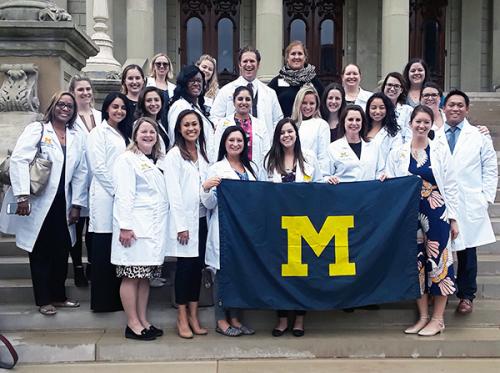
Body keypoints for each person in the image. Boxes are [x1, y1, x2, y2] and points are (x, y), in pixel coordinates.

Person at [0, 91, 88, 316]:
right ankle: (44, 299)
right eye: (61, 104)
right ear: (52, 106)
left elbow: (81, 171)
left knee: (61, 248)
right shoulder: (38, 129)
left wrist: (77, 203)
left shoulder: (75, 136)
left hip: (63, 201)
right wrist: (22, 195)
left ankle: (58, 296)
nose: (65, 109)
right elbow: (20, 160)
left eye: (69, 106)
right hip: (38, 199)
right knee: (40, 250)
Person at [385, 105, 459, 336]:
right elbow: (391, 182)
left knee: (439, 262)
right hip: (410, 215)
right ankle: (423, 317)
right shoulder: (397, 152)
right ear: (410, 124)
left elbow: (451, 185)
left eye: (426, 122)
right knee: (416, 263)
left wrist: (454, 218)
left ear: (431, 125)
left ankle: (438, 319)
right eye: (418, 121)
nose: (422, 125)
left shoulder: (439, 150)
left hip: (436, 212)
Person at [261, 118, 322, 337]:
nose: (286, 135)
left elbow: (319, 185)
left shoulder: (309, 157)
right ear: (277, 137)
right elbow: (261, 191)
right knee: (280, 273)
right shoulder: (269, 160)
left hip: (304, 224)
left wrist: (330, 182)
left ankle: (299, 318)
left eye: (290, 131)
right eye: (282, 132)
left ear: (296, 134)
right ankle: (282, 318)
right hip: (278, 225)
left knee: (301, 272)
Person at [442, 90, 498, 314]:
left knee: (467, 250)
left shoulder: (478, 135)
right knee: (441, 249)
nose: (455, 109)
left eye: (460, 105)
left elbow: (490, 168)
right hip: (442, 200)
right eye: (451, 105)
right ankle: (442, 292)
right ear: (443, 108)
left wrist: (485, 198)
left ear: (467, 109)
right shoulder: (434, 134)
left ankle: (467, 295)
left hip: (469, 200)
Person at [111, 117, 167, 341]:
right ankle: (132, 323)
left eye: (152, 132)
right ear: (135, 135)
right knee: (131, 276)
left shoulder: (155, 161)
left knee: (144, 278)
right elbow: (124, 195)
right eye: (143, 131)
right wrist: (125, 226)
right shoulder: (127, 160)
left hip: (151, 230)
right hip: (133, 229)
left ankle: (143, 320)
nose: (148, 135)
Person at [201, 126, 257, 337]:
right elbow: (208, 203)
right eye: (231, 140)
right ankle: (221, 320)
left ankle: (236, 318)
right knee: (222, 277)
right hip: (224, 230)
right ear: (224, 143)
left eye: (239, 141)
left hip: (244, 233)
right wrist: (206, 187)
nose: (235, 144)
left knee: (240, 275)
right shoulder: (216, 168)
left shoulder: (250, 169)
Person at [164, 109, 210, 339]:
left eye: (195, 124)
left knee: (197, 270)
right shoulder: (174, 155)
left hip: (202, 220)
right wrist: (181, 226)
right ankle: (181, 316)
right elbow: (173, 193)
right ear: (179, 129)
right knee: (184, 270)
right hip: (185, 224)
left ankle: (194, 315)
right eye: (186, 125)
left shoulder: (203, 153)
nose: (191, 128)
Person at [87, 92, 129, 312]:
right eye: (115, 107)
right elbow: (98, 167)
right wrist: (117, 191)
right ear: (106, 109)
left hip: (119, 197)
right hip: (105, 195)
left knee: (115, 248)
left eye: (122, 107)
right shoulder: (98, 133)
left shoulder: (122, 133)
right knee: (103, 247)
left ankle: (116, 298)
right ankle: (102, 302)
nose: (119, 111)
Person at [69, 74, 102, 287]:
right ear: (73, 92)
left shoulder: (100, 116)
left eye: (88, 89)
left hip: (98, 179)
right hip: (77, 179)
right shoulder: (69, 118)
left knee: (93, 227)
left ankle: (91, 263)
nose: (85, 93)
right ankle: (77, 267)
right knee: (76, 225)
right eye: (80, 90)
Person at [211, 46, 283, 139]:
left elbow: (277, 121)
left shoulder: (270, 93)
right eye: (245, 61)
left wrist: (270, 141)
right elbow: (215, 118)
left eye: (252, 61)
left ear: (258, 64)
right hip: (235, 146)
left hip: (263, 147)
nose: (248, 64)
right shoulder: (226, 91)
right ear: (239, 64)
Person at [212, 86, 270, 170]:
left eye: (247, 99)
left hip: (256, 171)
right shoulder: (223, 124)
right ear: (234, 101)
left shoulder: (261, 125)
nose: (244, 102)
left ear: (252, 102)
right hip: (229, 171)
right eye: (240, 99)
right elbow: (217, 149)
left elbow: (266, 152)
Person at [326, 105, 384, 184]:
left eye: (358, 120)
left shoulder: (374, 146)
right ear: (343, 122)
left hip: (369, 194)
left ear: (362, 122)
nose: (354, 123)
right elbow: (326, 175)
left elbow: (380, 171)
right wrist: (329, 179)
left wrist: (382, 176)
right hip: (344, 193)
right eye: (350, 119)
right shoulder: (333, 148)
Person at [168, 65, 214, 157]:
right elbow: (175, 138)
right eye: (192, 81)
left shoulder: (196, 106)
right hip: (187, 159)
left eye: (199, 81)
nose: (196, 84)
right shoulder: (179, 106)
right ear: (184, 83)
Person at [268, 41, 324, 118]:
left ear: (305, 58)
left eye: (300, 54)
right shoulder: (277, 82)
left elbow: (324, 104)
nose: (296, 57)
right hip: (286, 128)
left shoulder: (313, 80)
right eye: (293, 54)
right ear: (287, 58)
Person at [290, 85, 330, 176]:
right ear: (298, 103)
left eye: (312, 103)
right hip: (291, 175)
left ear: (317, 105)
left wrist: (321, 177)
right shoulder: (290, 125)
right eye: (304, 103)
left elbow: (323, 156)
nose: (308, 107)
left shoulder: (321, 125)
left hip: (312, 176)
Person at [365, 92, 402, 167]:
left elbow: (396, 157)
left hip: (384, 175)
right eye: (373, 108)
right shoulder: (361, 129)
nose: (377, 111)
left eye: (382, 108)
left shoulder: (394, 133)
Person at [381, 72, 413, 143]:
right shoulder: (376, 109)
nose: (392, 89)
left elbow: (410, 137)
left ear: (401, 90)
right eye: (389, 85)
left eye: (396, 86)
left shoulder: (408, 111)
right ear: (384, 87)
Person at [135, 86, 170, 152]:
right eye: (149, 100)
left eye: (156, 100)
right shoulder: (139, 125)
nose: (153, 104)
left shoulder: (159, 124)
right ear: (143, 103)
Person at [146, 53, 176, 126]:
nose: (162, 66)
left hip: (168, 123)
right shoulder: (146, 83)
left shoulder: (174, 88)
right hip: (149, 122)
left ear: (169, 67)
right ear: (153, 66)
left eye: (165, 64)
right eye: (158, 64)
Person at [121, 64, 146, 139]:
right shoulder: (120, 103)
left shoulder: (148, 103)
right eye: (130, 78)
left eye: (137, 78)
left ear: (143, 81)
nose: (134, 82)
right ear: (124, 81)